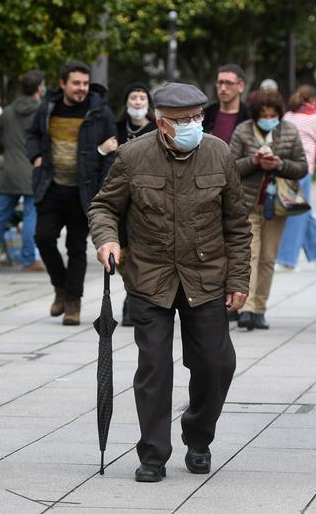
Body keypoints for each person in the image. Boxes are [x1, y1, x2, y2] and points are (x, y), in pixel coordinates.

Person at [88, 82, 251, 484]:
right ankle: (153, 454)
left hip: (207, 277)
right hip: (150, 277)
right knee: (155, 368)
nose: (194, 125)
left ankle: (198, 434)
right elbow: (104, 206)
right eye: (183, 120)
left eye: (198, 117)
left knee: (217, 364)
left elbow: (237, 225)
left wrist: (239, 278)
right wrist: (107, 238)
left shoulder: (219, 152)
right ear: (162, 123)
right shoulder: (132, 156)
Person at [26, 63, 118, 326]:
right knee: (43, 238)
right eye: (76, 83)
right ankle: (61, 287)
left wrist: (102, 187)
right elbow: (32, 134)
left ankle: (73, 303)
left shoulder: (100, 112)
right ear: (63, 83)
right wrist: (35, 156)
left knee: (76, 247)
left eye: (85, 84)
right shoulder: (48, 108)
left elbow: (113, 152)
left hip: (83, 191)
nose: (82, 89)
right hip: (51, 186)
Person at [228, 89, 308, 331]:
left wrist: (279, 164)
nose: (268, 118)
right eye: (263, 114)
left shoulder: (289, 131)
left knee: (268, 259)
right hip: (247, 204)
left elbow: (302, 167)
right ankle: (247, 308)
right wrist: (253, 162)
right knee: (249, 256)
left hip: (277, 204)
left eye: (273, 114)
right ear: (255, 115)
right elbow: (229, 167)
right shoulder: (243, 130)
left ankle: (260, 309)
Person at [0, 70, 46, 272]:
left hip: (10, 169)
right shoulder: (42, 110)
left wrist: (4, 148)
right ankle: (29, 260)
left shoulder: (9, 110)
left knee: (0, 215)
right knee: (31, 215)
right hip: (32, 168)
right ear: (39, 87)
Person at [113, 81, 158, 326]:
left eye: (142, 97)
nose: (138, 102)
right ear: (126, 102)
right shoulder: (115, 129)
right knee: (121, 255)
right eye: (134, 97)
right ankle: (132, 293)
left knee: (142, 253)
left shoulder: (155, 129)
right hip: (120, 201)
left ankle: (134, 300)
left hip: (145, 201)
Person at [275, 84, 316, 271]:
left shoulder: (288, 116)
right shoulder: (313, 118)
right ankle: (289, 259)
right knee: (299, 213)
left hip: (285, 168)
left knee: (299, 211)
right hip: (303, 170)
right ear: (314, 99)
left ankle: (315, 254)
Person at [203, 64, 249, 144]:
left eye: (229, 83)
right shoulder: (205, 114)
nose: (223, 88)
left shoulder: (250, 117)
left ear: (241, 86)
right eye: (220, 83)